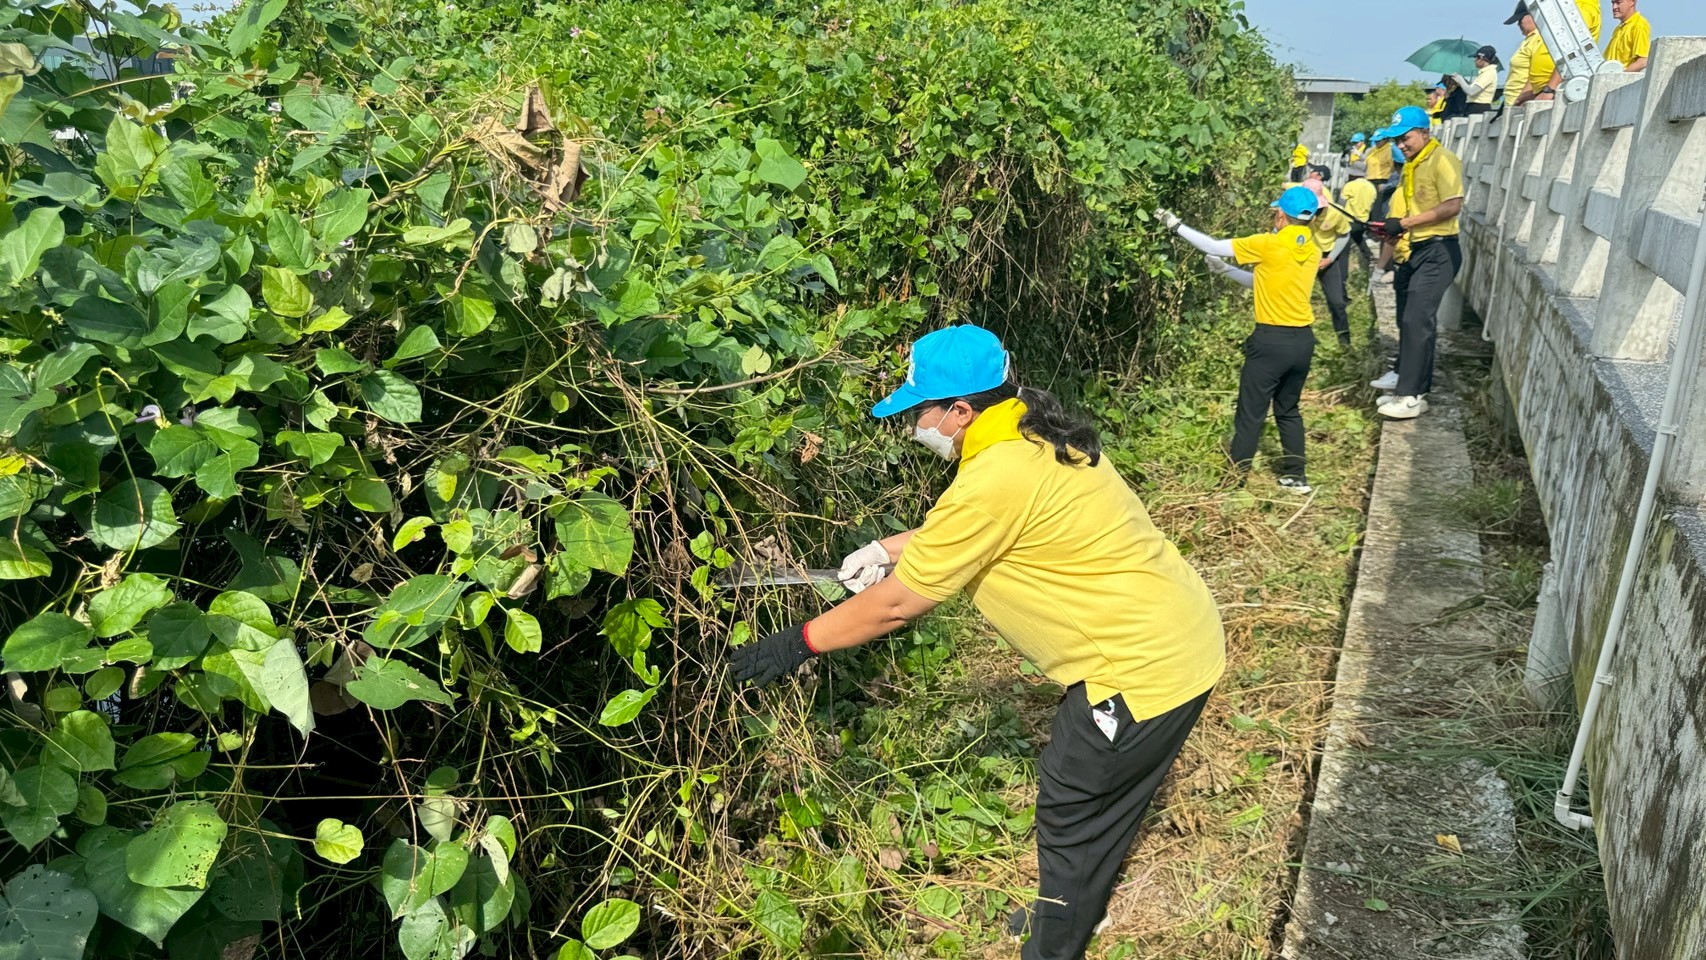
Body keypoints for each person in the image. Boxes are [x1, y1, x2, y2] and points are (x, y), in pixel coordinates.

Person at [730, 324, 1227, 960]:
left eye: (919, 412)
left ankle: (1056, 942)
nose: (914, 426)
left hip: (1139, 669)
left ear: (960, 410)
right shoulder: (1034, 436)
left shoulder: (997, 475)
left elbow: (897, 605)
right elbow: (970, 529)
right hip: (1174, 634)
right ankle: (1072, 910)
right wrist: (885, 549)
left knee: (1072, 803)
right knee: (1098, 803)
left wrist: (797, 643)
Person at [1155, 186, 1322, 493]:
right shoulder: (1312, 250)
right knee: (1288, 410)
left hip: (1270, 341)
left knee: (1250, 414)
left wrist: (1175, 225)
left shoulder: (1269, 243)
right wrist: (1226, 271)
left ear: (1281, 215)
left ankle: (1234, 482)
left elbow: (1213, 245)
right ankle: (1297, 477)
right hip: (1302, 342)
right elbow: (1263, 282)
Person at [1368, 106, 1464, 421]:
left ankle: (1410, 395)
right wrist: (1392, 230)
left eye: (1405, 138)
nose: (1401, 145)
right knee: (1408, 318)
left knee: (1416, 319)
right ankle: (1406, 379)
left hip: (1439, 250)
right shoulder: (1412, 165)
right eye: (1397, 140)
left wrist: (1406, 223)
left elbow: (1452, 206)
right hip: (1414, 249)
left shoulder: (1442, 160)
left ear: (1424, 132)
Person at [1510, 0, 1602, 103]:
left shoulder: (1583, 7)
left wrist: (1550, 90)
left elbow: (1572, 54)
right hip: (1543, 90)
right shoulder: (1565, 6)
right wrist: (1526, 95)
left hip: (1556, 91)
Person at [1302, 173, 1354, 347]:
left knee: (1337, 302)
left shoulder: (1335, 213)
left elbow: (1344, 235)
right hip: (1303, 257)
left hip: (1326, 258)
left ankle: (1344, 342)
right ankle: (1300, 339)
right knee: (1297, 300)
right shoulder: (1296, 212)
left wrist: (1330, 259)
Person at [1341, 161, 1378, 273]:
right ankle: (1368, 258)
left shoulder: (1350, 185)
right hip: (1362, 221)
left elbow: (1341, 204)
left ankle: (1344, 269)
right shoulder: (1371, 187)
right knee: (1359, 239)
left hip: (1348, 220)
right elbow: (1371, 206)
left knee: (1344, 246)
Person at [1506, 11, 1543, 108]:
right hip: (1512, 101)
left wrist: (1521, 99)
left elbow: (1537, 73)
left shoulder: (1539, 38)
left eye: (1520, 20)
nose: (1518, 24)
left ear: (1532, 16)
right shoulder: (1529, 39)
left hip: (1522, 102)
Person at [1450, 46, 1502, 114]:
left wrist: (1461, 80)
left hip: (1479, 108)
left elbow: (1471, 91)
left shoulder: (1489, 73)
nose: (1475, 60)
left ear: (1481, 58)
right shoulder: (1485, 73)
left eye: (1476, 58)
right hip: (1474, 107)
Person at [1604, 0, 1650, 72]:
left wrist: (1620, 76)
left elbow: (1643, 61)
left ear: (1632, 2)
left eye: (1618, 2)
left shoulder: (1639, 25)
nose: (1614, 7)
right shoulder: (1618, 29)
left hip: (1622, 78)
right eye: (1613, 3)